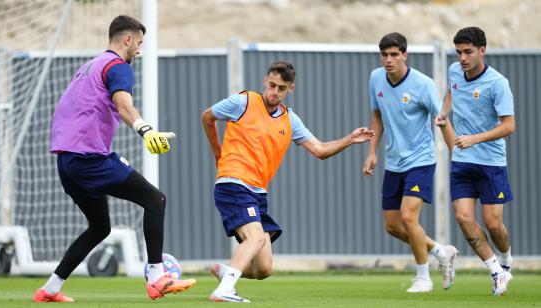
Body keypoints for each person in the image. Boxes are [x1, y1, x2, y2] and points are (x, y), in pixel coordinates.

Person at [33, 15, 196, 303]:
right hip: (89, 159)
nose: (140, 50)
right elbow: (124, 105)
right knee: (155, 200)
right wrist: (146, 130)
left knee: (99, 227)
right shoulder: (118, 66)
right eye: (139, 44)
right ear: (128, 39)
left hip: (67, 161)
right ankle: (157, 277)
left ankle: (50, 289)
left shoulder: (89, 67)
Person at [201, 60, 374, 303]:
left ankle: (225, 274)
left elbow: (320, 150)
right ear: (265, 80)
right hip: (233, 182)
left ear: (290, 89)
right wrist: (218, 153)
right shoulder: (243, 102)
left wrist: (349, 139)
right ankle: (224, 290)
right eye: (271, 85)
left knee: (263, 269)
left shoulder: (289, 119)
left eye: (281, 88)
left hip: (258, 193)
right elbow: (207, 117)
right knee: (257, 238)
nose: (274, 92)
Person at [362, 32, 458, 293]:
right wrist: (372, 151)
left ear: (405, 55)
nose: (389, 60)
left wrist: (456, 156)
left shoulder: (423, 84)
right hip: (394, 162)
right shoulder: (375, 78)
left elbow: (441, 119)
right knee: (392, 226)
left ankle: (423, 278)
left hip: (421, 161)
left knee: (408, 217)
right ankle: (441, 251)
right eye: (384, 55)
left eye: (394, 54)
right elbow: (377, 116)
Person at [435, 26, 514, 296]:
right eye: (458, 52)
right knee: (463, 219)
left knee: (493, 224)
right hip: (462, 161)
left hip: (491, 162)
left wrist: (474, 139)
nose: (462, 58)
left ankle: (506, 261)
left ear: (482, 50)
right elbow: (450, 91)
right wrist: (444, 112)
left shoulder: (497, 83)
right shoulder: (455, 71)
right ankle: (495, 271)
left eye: (468, 52)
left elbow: (509, 126)